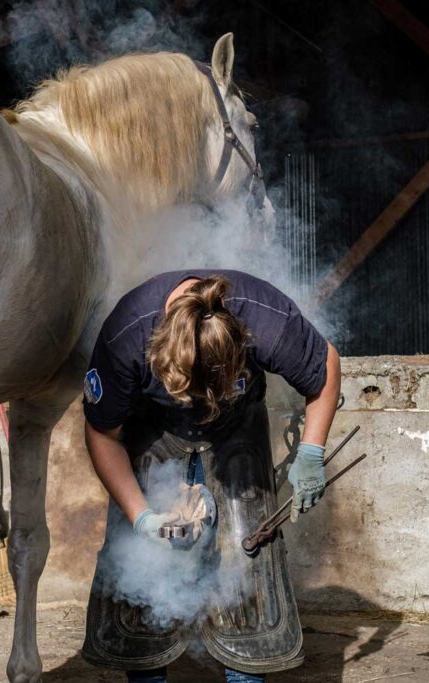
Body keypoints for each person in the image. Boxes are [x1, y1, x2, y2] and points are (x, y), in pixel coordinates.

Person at [80, 270, 341, 681]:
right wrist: (141, 516)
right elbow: (102, 433)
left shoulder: (265, 319)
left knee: (247, 559)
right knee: (148, 570)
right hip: (154, 429)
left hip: (236, 429)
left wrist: (311, 452)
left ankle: (245, 672)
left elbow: (323, 365)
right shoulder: (126, 336)